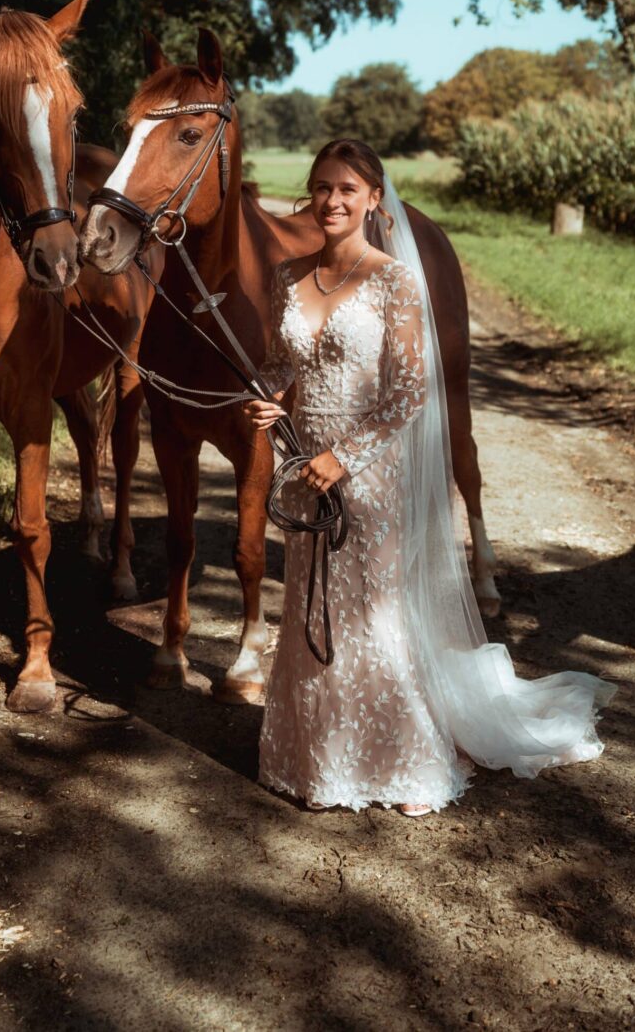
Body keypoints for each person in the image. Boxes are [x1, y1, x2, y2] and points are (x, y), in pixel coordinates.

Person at [245, 139, 615, 816]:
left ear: (373, 200)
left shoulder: (393, 280)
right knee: (310, 607)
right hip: (305, 468)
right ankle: (312, 756)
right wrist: (265, 397)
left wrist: (346, 457)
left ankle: (394, 760)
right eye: (322, 188)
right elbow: (280, 363)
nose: (331, 201)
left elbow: (410, 392)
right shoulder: (287, 275)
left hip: (369, 471)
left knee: (371, 611)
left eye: (347, 190)